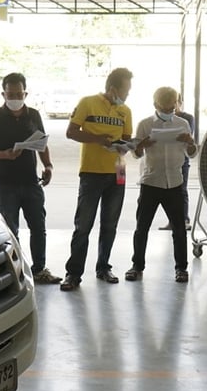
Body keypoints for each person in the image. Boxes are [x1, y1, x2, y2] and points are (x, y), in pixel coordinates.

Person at [0, 72, 62, 285]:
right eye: (11, 94)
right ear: (3, 94)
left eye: (19, 93)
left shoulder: (33, 115)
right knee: (11, 230)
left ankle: (39, 269)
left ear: (25, 93)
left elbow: (41, 143)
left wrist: (48, 165)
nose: (15, 98)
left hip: (31, 182)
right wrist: (4, 154)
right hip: (6, 183)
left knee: (38, 226)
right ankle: (13, 273)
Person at [59, 67, 134, 292]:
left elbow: (127, 139)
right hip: (91, 172)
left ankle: (103, 267)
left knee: (110, 224)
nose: (127, 95)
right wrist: (98, 139)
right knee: (83, 225)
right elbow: (71, 132)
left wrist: (128, 145)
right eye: (125, 90)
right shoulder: (88, 103)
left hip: (118, 172)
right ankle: (73, 274)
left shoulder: (126, 111)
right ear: (113, 89)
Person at [125, 87, 198, 283]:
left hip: (174, 182)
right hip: (151, 181)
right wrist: (141, 146)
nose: (168, 110)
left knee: (179, 229)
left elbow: (191, 153)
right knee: (142, 227)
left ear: (176, 103)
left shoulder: (183, 124)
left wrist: (190, 142)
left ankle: (181, 269)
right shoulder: (145, 124)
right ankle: (137, 266)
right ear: (155, 105)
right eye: (164, 107)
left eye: (172, 106)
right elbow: (135, 154)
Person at [160, 93, 195, 231]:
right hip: (165, 160)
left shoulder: (187, 118)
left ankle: (184, 219)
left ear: (179, 102)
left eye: (174, 102)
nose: (171, 107)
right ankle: (172, 221)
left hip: (182, 160)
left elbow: (186, 136)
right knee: (168, 192)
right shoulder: (160, 117)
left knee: (181, 190)